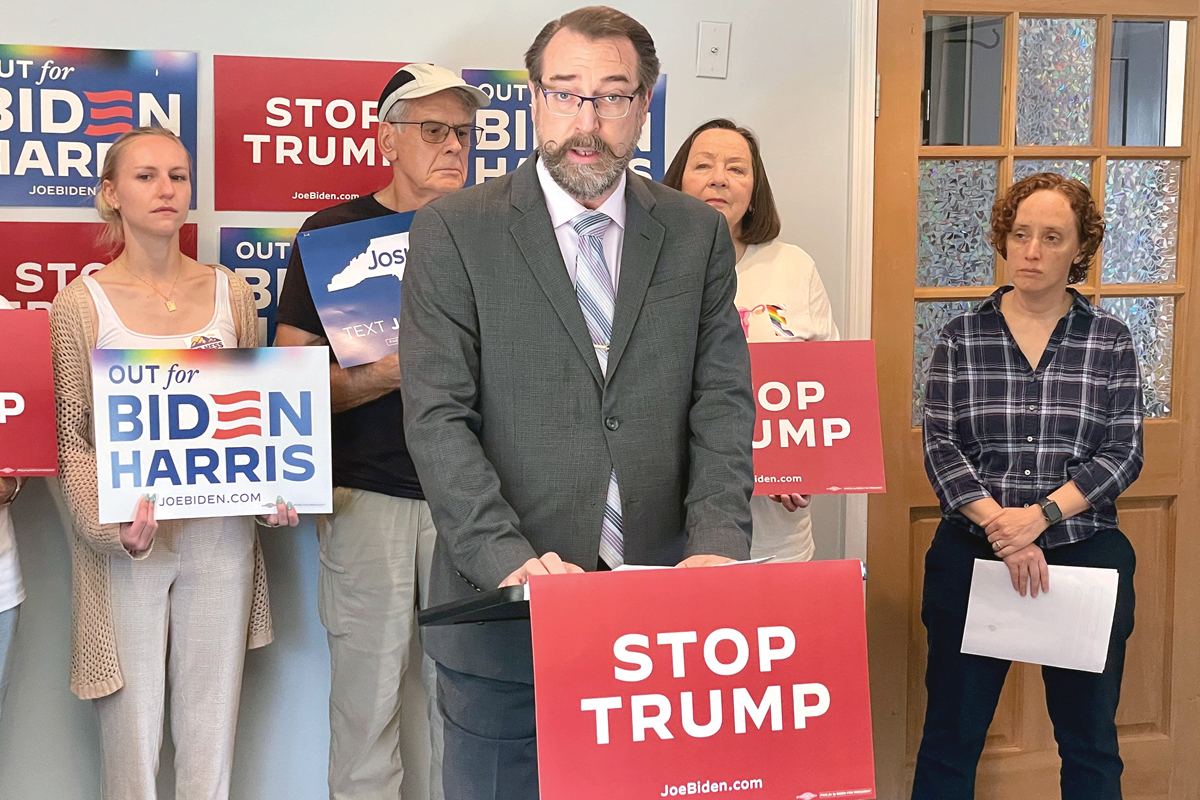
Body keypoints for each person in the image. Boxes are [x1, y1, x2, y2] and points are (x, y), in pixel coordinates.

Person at [399, 7, 755, 798]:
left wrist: (719, 541)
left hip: (664, 609)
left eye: (612, 96)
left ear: (646, 101)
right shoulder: (456, 230)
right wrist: (507, 560)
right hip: (505, 607)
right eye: (565, 94)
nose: (586, 121)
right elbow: (436, 415)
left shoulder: (694, 232)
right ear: (534, 98)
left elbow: (723, 400)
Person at [49, 126, 299, 800]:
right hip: (132, 542)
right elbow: (72, 438)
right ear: (110, 194)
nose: (167, 190)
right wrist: (111, 532)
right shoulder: (80, 303)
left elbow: (260, 410)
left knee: (211, 734)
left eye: (179, 176)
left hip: (222, 537)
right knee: (130, 741)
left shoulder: (230, 293)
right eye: (147, 176)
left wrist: (274, 493)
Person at [273, 63, 488, 800]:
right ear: (386, 138)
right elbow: (287, 386)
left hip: (478, 507)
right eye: (434, 131)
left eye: (464, 132)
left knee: (462, 707)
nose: (454, 147)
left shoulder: (497, 234)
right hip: (371, 498)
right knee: (368, 709)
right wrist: (391, 373)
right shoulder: (334, 235)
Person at [914, 172, 1142, 799]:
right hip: (973, 555)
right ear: (1004, 241)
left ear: (1079, 249)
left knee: (1090, 741)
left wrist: (1037, 518)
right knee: (949, 740)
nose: (1032, 251)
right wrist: (1004, 530)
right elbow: (941, 448)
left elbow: (1123, 454)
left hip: (1082, 556)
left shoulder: (1111, 341)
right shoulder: (962, 338)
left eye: (1051, 237)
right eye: (1020, 235)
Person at [664, 118, 840, 562]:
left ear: (754, 188)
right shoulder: (646, 267)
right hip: (673, 529)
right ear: (677, 181)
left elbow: (827, 390)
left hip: (775, 534)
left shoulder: (794, 267)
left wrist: (802, 466)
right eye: (703, 165)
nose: (719, 178)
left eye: (737, 169)